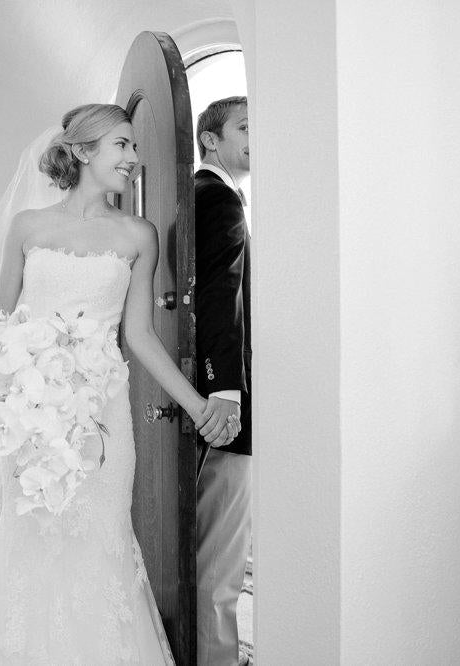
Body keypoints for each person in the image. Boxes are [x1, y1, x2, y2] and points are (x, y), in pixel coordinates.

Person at [0, 104, 234, 664]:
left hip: (104, 417)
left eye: (133, 147)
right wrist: (12, 400)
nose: (133, 157)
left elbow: (141, 335)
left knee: (103, 541)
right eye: (121, 145)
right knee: (32, 542)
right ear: (82, 151)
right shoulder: (28, 226)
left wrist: (199, 406)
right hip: (31, 417)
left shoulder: (138, 235)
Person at [193, 96, 252, 666]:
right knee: (222, 562)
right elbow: (218, 300)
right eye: (243, 127)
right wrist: (226, 394)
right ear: (210, 140)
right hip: (223, 405)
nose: (254, 136)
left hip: (206, 397)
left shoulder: (200, 197)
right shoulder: (219, 200)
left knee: (213, 547)